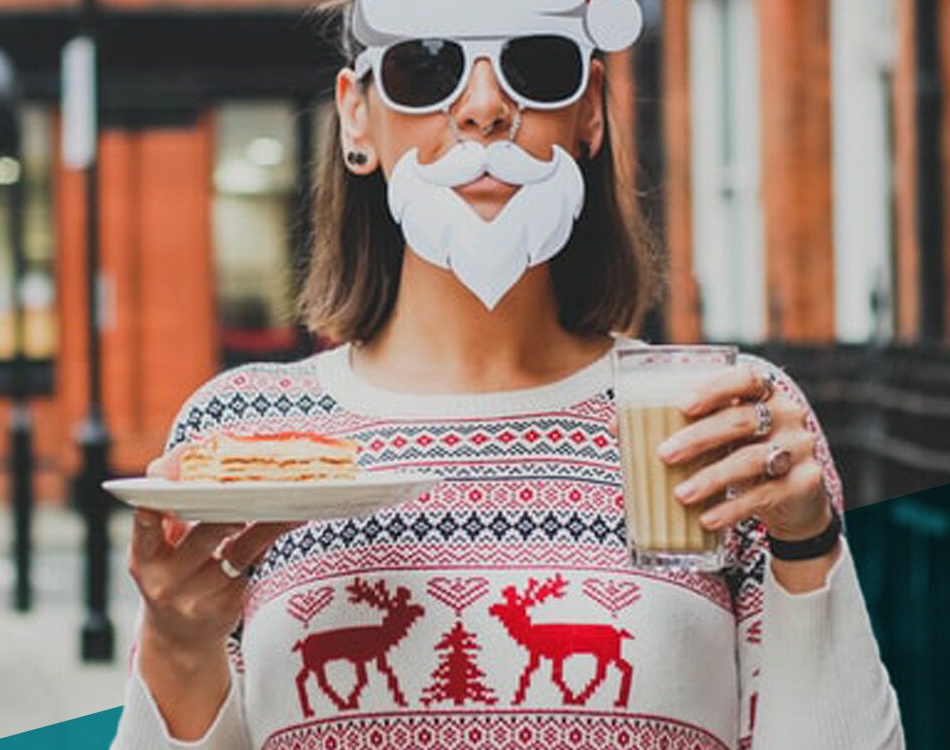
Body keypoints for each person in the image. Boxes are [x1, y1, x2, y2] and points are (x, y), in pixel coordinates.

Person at [113, 1, 903, 747]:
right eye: (428, 69)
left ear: (589, 110)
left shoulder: (721, 422)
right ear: (356, 116)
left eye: (534, 66)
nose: (484, 108)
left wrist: (807, 546)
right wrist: (180, 645)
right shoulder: (248, 435)